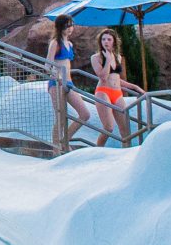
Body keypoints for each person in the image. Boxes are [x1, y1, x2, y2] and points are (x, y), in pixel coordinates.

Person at [45, 16, 103, 152]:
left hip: (69, 82)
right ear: (60, 27)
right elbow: (47, 65)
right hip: (56, 82)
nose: (70, 28)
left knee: (85, 114)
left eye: (71, 25)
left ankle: (65, 140)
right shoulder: (55, 42)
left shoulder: (69, 44)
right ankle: (56, 149)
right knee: (60, 116)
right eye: (67, 26)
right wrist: (57, 76)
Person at [90, 28, 136, 146]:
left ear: (114, 42)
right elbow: (103, 77)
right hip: (103, 91)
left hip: (117, 93)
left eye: (109, 39)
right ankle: (97, 150)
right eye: (103, 39)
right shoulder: (95, 57)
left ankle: (127, 153)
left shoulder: (118, 57)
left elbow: (116, 78)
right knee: (109, 127)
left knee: (125, 128)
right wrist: (108, 60)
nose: (106, 42)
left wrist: (135, 87)